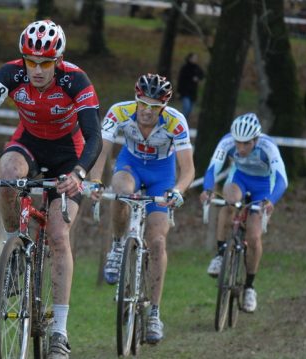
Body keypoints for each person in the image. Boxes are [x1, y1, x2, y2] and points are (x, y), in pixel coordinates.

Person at [0, 20, 102, 359]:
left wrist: (80, 172)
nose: (37, 70)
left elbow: (94, 135)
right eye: (30, 61)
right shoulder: (10, 74)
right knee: (7, 171)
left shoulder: (75, 80)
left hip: (70, 155)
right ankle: (16, 252)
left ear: (58, 60)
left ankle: (60, 332)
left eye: (45, 63)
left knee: (58, 233)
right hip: (30, 144)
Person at [89, 73, 195, 344]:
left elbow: (188, 169)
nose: (147, 111)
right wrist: (94, 181)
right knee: (121, 191)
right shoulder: (120, 112)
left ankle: (155, 313)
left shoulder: (175, 121)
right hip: (131, 165)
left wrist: (178, 192)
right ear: (136, 99)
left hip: (162, 176)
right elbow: (102, 150)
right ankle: (116, 247)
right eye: (142, 103)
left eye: (154, 106)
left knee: (158, 242)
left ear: (164, 106)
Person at [199, 113, 288, 313]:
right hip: (239, 179)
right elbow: (213, 167)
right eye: (238, 143)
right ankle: (221, 253)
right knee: (229, 202)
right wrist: (207, 188)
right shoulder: (226, 142)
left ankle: (249, 286)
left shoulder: (268, 147)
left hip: (263, 187)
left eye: (246, 144)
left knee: (254, 237)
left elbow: (282, 179)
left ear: (256, 140)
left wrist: (271, 201)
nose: (240, 148)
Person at [176, 52, 205, 122]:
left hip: (193, 93)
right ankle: (180, 122)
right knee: (186, 108)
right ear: (189, 58)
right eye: (194, 58)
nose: (195, 59)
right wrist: (178, 91)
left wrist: (198, 78)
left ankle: (184, 123)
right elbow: (180, 80)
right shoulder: (185, 68)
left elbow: (202, 75)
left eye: (196, 58)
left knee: (189, 110)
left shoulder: (197, 68)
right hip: (185, 92)